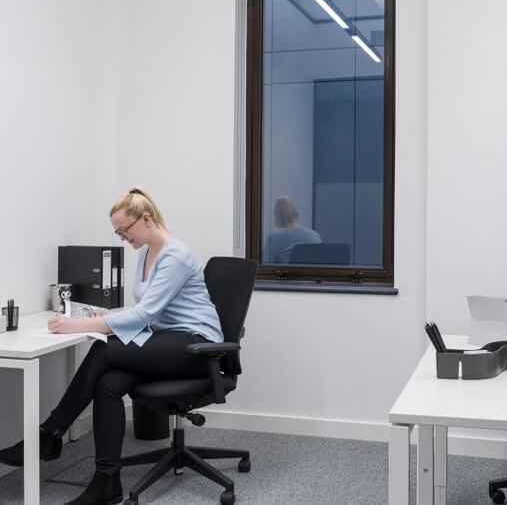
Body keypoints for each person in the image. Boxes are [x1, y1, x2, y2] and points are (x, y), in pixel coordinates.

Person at [0, 186, 223, 505]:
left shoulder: (176, 255)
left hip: (197, 346)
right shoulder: (146, 251)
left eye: (124, 230)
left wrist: (78, 325)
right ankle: (107, 481)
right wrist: (100, 315)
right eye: (117, 232)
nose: (121, 238)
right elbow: (147, 310)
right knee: (108, 384)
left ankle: (49, 434)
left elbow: (146, 313)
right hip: (165, 341)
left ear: (146, 219)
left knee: (104, 350)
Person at [264, 196, 321, 263]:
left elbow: (266, 266)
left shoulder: (273, 238)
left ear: (278, 216)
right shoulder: (315, 236)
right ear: (295, 214)